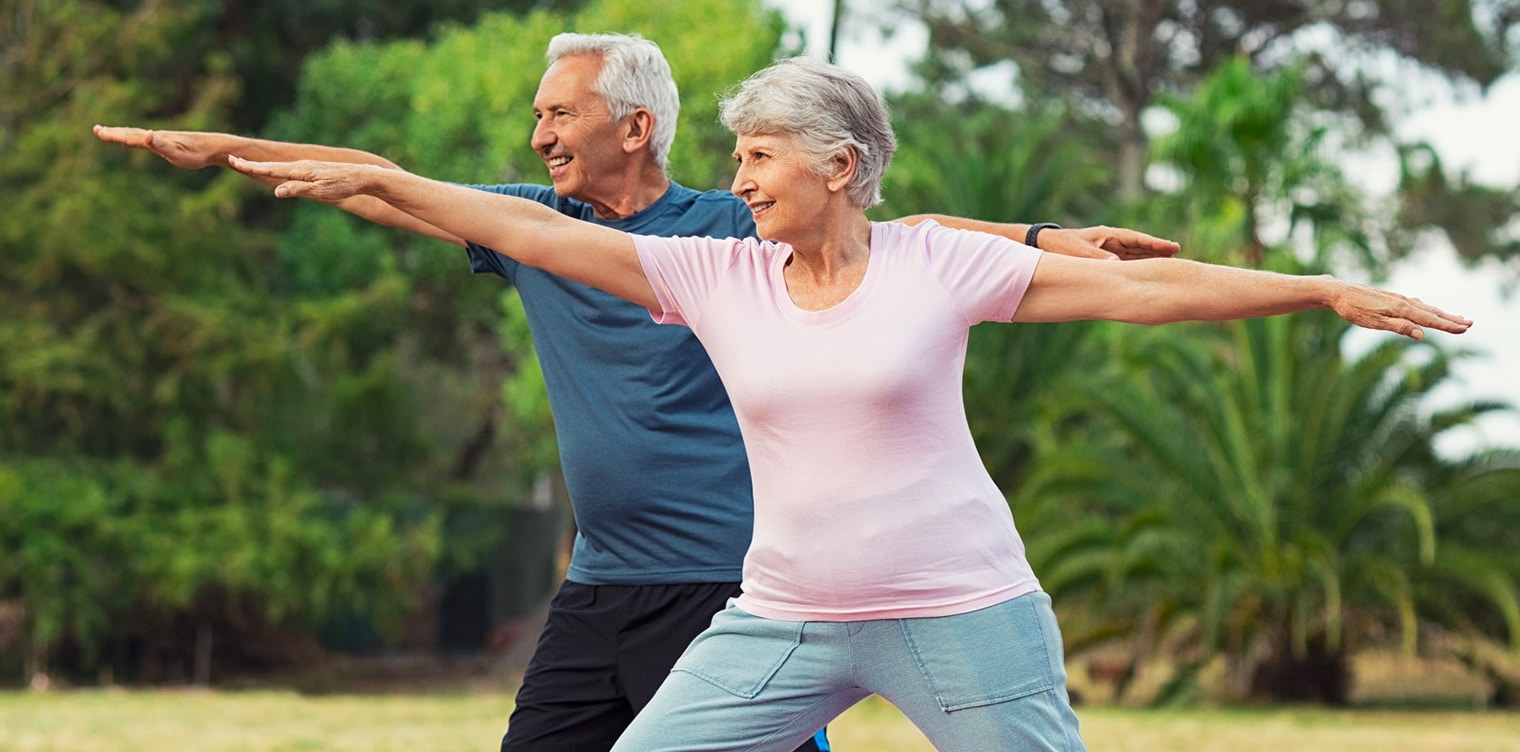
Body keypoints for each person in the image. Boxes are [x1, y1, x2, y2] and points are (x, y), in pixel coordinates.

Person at [222, 54, 1471, 750]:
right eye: (733, 156)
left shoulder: (938, 260)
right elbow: (516, 227)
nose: (738, 178)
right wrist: (375, 178)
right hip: (781, 621)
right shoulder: (713, 275)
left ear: (839, 166)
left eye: (759, 155)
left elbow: (1146, 293)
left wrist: (1316, 289)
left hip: (962, 613)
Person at [95, 33, 1183, 752]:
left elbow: (903, 237)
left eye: (559, 114)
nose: (539, 136)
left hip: (727, 586)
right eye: (536, 117)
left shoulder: (733, 230)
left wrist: (1045, 239)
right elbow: (379, 176)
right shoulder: (538, 230)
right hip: (600, 582)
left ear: (635, 126)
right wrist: (226, 150)